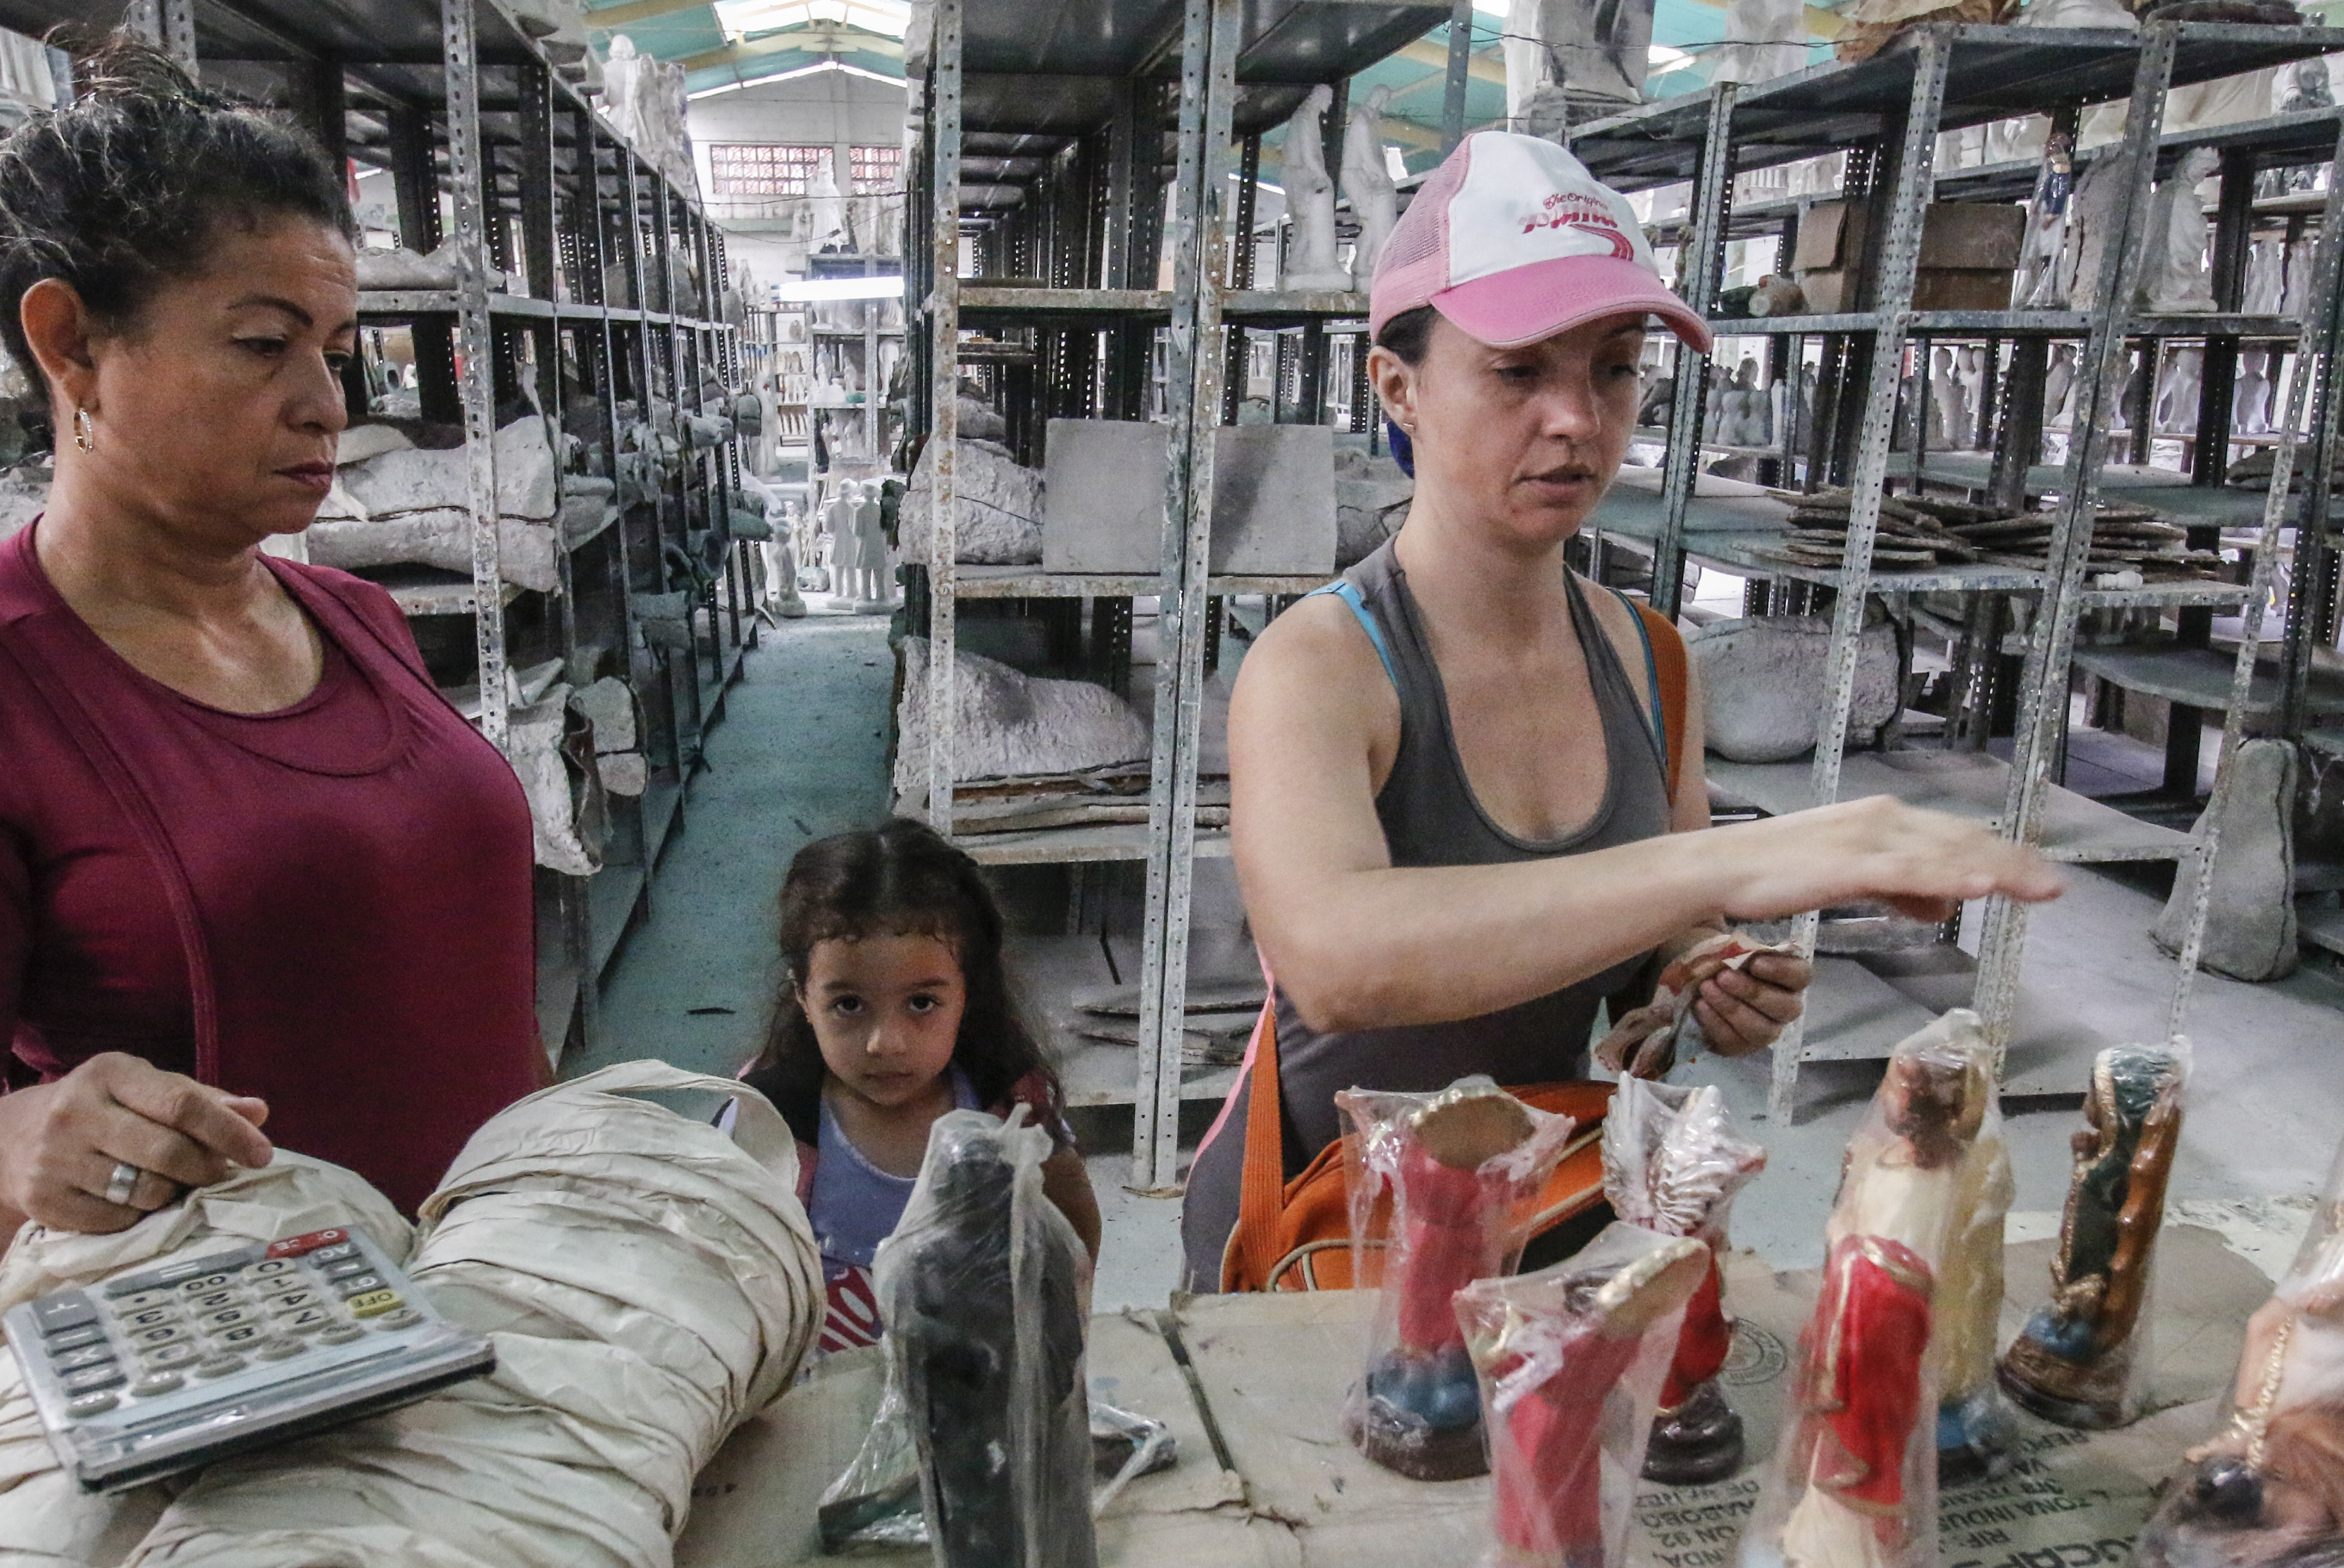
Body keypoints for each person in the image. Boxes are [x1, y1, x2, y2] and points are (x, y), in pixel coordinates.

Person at [1181, 129, 2063, 1479]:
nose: (1575, 420)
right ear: (1396, 387)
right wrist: (1761, 859)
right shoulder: (1317, 665)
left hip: (1547, 1211)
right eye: (1516, 372)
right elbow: (1339, 960)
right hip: (1339, 1238)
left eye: (1611, 372)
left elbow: (1650, 933)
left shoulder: (1648, 659)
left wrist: (1697, 965)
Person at [0, 39, 542, 1274]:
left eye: (336, 351)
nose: (327, 404)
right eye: (261, 345)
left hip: (500, 1287)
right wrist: (1, 1154)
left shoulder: (355, 623)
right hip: (253, 1351)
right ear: (71, 346)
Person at [741, 818, 1101, 1350]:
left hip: (973, 1395)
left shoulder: (1008, 1103)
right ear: (803, 996)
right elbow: (730, 1271)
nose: (886, 1043)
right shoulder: (771, 1118)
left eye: (921, 1004)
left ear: (967, 993)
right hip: (816, 1404)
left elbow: (1073, 1218)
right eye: (848, 1005)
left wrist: (1057, 1331)